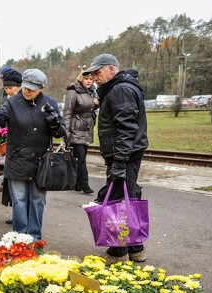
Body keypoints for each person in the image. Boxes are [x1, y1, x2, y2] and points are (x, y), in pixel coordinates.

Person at [0, 69, 64, 241]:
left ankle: (34, 237)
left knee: (38, 201)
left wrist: (55, 123)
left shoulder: (50, 103)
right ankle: (19, 237)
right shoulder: (13, 104)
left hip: (41, 162)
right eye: (25, 87)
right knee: (19, 200)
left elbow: (60, 133)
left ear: (41, 88)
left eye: (31, 89)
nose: (26, 91)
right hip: (17, 160)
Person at [83, 53, 149, 264]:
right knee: (127, 198)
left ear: (112, 69)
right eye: (92, 74)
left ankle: (118, 250)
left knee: (116, 201)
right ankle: (135, 249)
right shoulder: (119, 88)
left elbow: (126, 129)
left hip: (125, 155)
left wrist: (119, 162)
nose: (94, 77)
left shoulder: (121, 90)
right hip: (125, 154)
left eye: (98, 72)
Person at [62, 72, 99, 195]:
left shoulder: (92, 92)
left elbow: (90, 108)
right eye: (86, 79)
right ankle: (85, 185)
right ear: (81, 79)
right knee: (81, 159)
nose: (89, 81)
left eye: (91, 79)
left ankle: (77, 184)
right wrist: (66, 132)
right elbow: (67, 113)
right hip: (75, 130)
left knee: (79, 159)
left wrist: (96, 104)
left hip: (86, 129)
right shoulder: (73, 92)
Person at [0, 68, 23, 194]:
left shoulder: (22, 95)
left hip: (16, 133)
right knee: (4, 160)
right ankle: (5, 184)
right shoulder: (0, 93)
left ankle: (10, 186)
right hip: (3, 129)